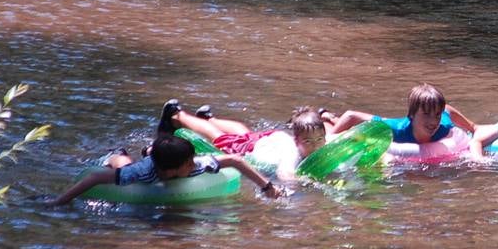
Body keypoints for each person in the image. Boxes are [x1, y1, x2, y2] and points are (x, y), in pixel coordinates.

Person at [51, 133, 281, 205]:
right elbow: (94, 178)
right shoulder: (142, 174)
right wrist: (59, 201)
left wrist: (267, 186)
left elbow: (236, 161)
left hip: (162, 161)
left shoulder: (194, 166)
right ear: (172, 171)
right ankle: (119, 154)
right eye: (189, 163)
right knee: (124, 164)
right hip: (146, 168)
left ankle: (152, 148)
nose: (195, 164)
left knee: (158, 154)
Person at [161, 100, 327, 180]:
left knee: (244, 133)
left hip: (270, 140)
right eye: (308, 142)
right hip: (254, 149)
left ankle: (208, 118)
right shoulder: (291, 153)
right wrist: (310, 182)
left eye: (320, 139)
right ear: (296, 141)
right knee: (221, 139)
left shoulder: (323, 143)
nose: (316, 145)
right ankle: (176, 115)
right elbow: (284, 174)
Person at [324, 83, 475, 144]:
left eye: (436, 114)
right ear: (412, 115)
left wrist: (472, 127)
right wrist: (329, 141)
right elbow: (352, 115)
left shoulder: (443, 125)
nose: (433, 121)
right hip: (395, 123)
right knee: (355, 126)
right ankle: (329, 118)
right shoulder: (393, 129)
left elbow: (446, 109)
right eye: (426, 114)